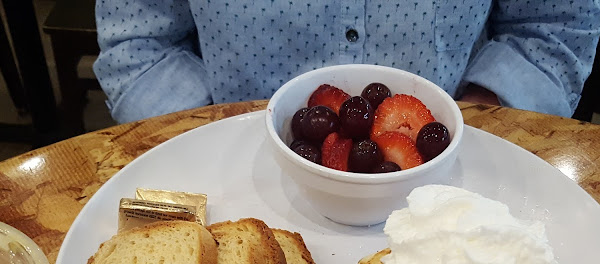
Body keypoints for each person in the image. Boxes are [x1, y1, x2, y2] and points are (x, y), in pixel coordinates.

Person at [93, 0, 600, 124]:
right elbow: (140, 45)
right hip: (233, 170)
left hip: (451, 166)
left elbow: (552, 26)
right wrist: (211, 141)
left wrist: (475, 121)